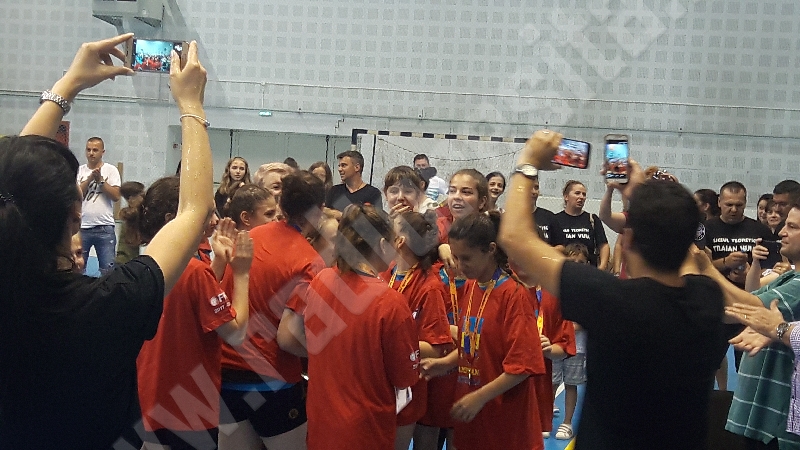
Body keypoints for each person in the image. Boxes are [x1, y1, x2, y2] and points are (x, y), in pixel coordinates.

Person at [0, 34, 214, 448]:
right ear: (75, 213)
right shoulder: (106, 304)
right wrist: (191, 105)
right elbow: (194, 211)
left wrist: (66, 86)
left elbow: (14, 183)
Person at [499, 130, 730, 450]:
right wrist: (642, 194)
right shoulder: (707, 297)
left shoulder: (611, 301)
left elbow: (514, 238)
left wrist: (528, 162)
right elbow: (689, 254)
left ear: (627, 239)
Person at [277, 204, 421, 450]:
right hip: (365, 431)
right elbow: (405, 375)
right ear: (383, 245)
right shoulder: (390, 302)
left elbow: (299, 336)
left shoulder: (320, 280)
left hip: (322, 422)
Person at [130, 177, 253, 449]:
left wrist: (218, 265)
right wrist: (241, 273)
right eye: (206, 214)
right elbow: (236, 334)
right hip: (188, 407)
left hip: (149, 399)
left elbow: (190, 305)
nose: (214, 221)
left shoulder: (144, 262)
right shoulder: (195, 271)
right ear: (174, 219)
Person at [217, 171, 326, 450]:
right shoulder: (309, 261)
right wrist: (327, 354)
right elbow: (288, 339)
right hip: (271, 382)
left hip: (226, 376)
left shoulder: (248, 237)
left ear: (281, 204)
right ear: (318, 211)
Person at [420, 211, 545, 450]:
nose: (459, 265)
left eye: (466, 258)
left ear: (490, 250)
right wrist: (445, 363)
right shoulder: (471, 286)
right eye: (455, 257)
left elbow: (523, 366)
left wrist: (479, 397)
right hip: (474, 416)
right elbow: (475, 344)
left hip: (505, 419)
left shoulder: (514, 296)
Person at [697, 200, 800, 449]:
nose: (782, 232)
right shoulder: (788, 276)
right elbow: (740, 305)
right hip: (762, 415)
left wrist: (706, 267)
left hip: (778, 421)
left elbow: (741, 307)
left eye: (793, 227)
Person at [384, 211, 452, 450]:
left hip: (406, 390)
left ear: (400, 241)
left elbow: (436, 347)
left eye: (391, 228)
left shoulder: (429, 287)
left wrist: (386, 344)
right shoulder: (386, 272)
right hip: (379, 383)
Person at [705, 181, 774, 289]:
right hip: (713, 290)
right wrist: (725, 262)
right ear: (719, 202)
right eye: (729, 205)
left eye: (739, 205)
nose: (734, 209)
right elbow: (698, 267)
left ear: (745, 203)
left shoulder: (761, 230)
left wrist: (751, 275)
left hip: (751, 291)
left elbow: (772, 269)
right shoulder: (705, 229)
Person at [550, 244, 588, 441]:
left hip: (576, 347)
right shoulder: (557, 287)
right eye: (572, 262)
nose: (576, 265)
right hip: (556, 344)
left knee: (571, 384)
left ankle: (567, 422)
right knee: (552, 381)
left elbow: (586, 319)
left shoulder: (587, 289)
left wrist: (568, 328)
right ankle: (546, 417)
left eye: (580, 262)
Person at [77, 135, 121, 275]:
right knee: (78, 269)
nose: (91, 153)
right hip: (82, 227)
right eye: (88, 150)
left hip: (104, 227)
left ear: (103, 152)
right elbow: (76, 196)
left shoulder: (111, 170)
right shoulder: (80, 171)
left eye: (95, 150)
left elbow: (116, 196)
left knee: (108, 270)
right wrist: (90, 178)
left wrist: (101, 182)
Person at [437, 169, 489, 270]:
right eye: (452, 191)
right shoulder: (436, 225)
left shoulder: (490, 233)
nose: (456, 197)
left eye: (466, 192)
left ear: (482, 202)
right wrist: (439, 247)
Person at [555, 180, 610, 270]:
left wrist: (602, 267)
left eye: (584, 194)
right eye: (577, 193)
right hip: (563, 270)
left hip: (589, 270)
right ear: (566, 196)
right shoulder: (555, 219)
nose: (581, 197)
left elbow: (603, 245)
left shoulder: (592, 219)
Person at [116, 180, 145, 264]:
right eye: (141, 195)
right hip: (126, 259)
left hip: (129, 258)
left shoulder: (130, 213)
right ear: (131, 199)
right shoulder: (131, 215)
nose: (144, 198)